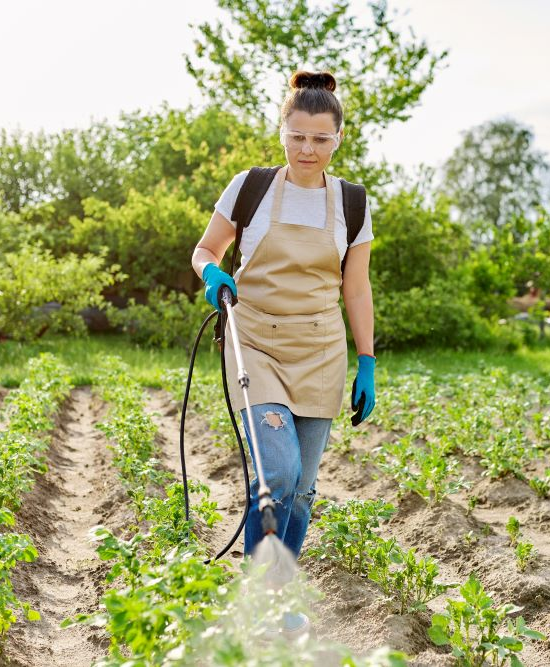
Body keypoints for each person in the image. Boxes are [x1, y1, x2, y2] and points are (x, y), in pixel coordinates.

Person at [190, 70, 376, 637]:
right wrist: (214, 273)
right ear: (282, 131)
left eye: (320, 139)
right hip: (258, 342)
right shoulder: (250, 187)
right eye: (297, 136)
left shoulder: (351, 201)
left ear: (338, 138)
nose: (307, 149)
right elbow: (205, 249)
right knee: (278, 470)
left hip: (321, 347)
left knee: (302, 490)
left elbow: (357, 287)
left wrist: (366, 360)